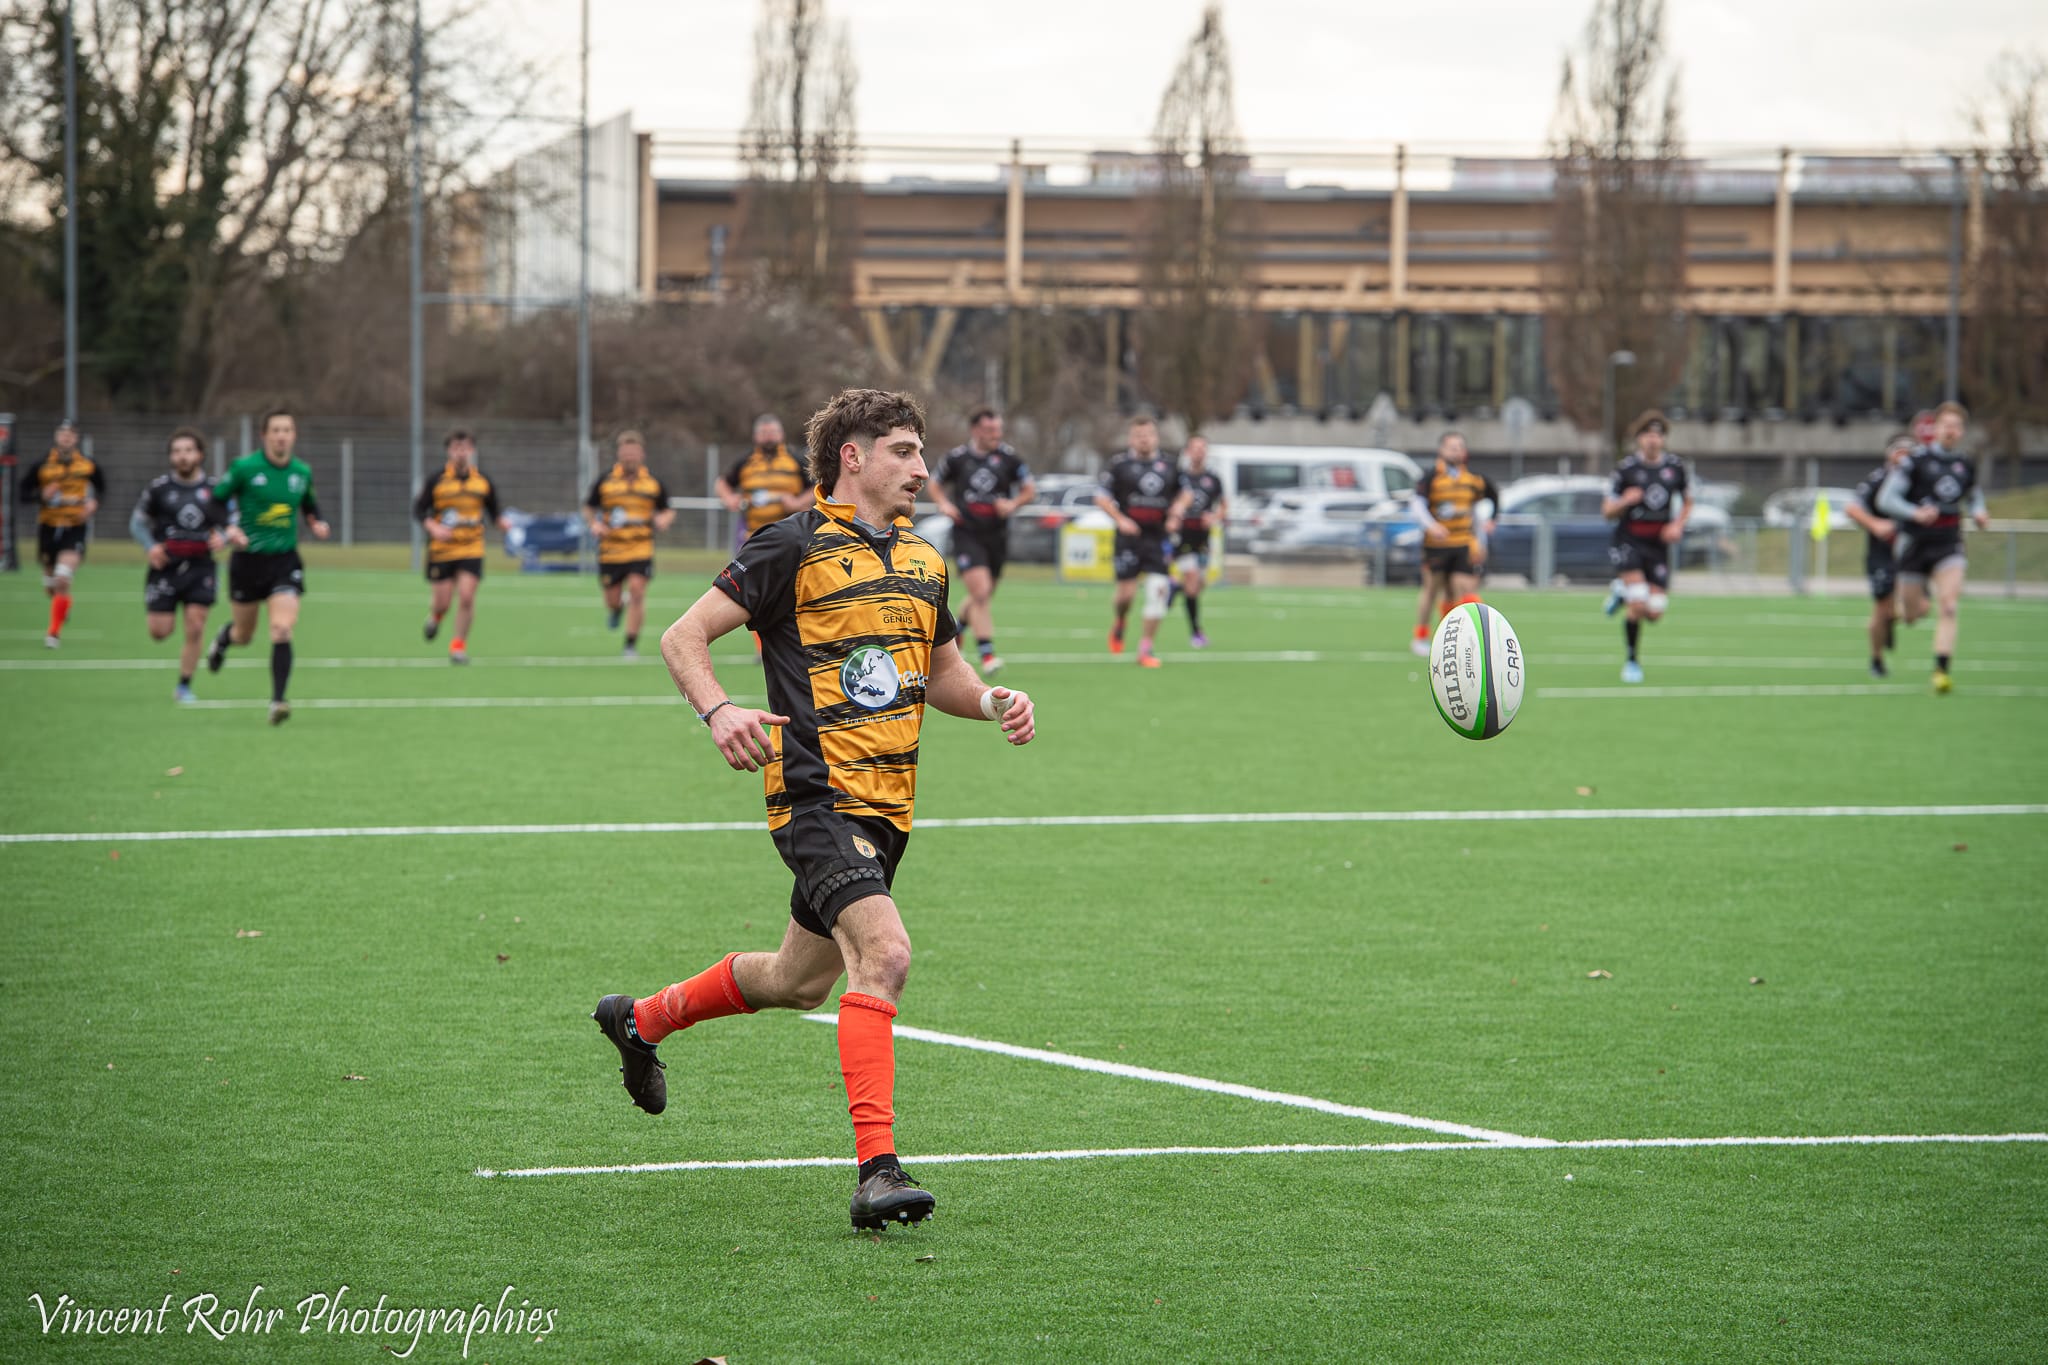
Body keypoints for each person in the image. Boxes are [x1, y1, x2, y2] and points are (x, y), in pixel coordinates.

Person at [590, 387, 1036, 1231]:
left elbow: (944, 672)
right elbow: (682, 636)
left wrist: (991, 700)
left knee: (796, 981)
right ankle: (877, 1171)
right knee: (886, 953)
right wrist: (719, 710)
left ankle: (640, 1021)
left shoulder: (925, 560)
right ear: (852, 457)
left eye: (921, 451)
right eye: (904, 450)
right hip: (816, 795)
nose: (922, 468)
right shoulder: (790, 545)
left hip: (890, 808)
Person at [205, 409, 330, 724]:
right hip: (247, 562)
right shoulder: (245, 468)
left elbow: (309, 504)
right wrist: (228, 529)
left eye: (287, 430)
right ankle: (224, 639)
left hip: (284, 561)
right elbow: (214, 502)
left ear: (294, 435)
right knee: (244, 634)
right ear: (264, 435)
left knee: (282, 629)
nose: (281, 436)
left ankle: (278, 701)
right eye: (275, 430)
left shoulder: (301, 472)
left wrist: (317, 522)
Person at [1877, 401, 1988, 694]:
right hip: (1915, 544)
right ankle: (1894, 615)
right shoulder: (1915, 462)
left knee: (1949, 606)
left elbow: (1974, 496)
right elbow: (1886, 499)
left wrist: (1979, 512)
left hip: (1948, 543)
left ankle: (1941, 671)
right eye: (1946, 425)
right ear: (1935, 428)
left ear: (1962, 431)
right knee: (1913, 615)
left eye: (1957, 426)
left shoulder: (1966, 464)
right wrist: (1914, 513)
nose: (1951, 431)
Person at [931, 407, 1036, 675]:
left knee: (984, 594)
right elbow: (934, 483)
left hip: (997, 535)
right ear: (975, 430)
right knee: (980, 593)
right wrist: (944, 504)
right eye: (990, 430)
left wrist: (1012, 504)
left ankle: (957, 630)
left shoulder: (1009, 458)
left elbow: (1029, 489)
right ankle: (987, 655)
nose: (996, 435)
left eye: (998, 430)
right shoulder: (957, 458)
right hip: (967, 533)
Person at [131, 427, 228, 703]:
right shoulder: (159, 489)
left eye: (188, 450)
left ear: (200, 454)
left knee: (196, 626)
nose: (182, 456)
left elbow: (233, 521)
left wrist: (222, 537)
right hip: (166, 567)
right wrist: (151, 547)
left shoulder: (215, 490)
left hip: (201, 567)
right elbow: (137, 523)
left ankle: (184, 685)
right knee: (159, 631)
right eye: (176, 451)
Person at [1599, 410, 1690, 684]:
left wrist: (1677, 525)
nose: (1653, 440)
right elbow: (1607, 511)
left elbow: (1688, 501)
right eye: (1647, 435)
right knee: (1637, 604)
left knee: (1654, 612)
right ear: (1639, 439)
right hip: (1630, 542)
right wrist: (1625, 501)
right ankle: (1632, 661)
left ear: (1663, 439)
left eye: (1658, 435)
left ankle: (1620, 592)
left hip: (1658, 546)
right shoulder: (1626, 470)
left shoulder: (1676, 468)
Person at [415, 429, 510, 664]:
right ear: (449, 451)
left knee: (467, 597)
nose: (461, 452)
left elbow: (494, 512)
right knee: (443, 603)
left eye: (465, 448)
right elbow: (418, 510)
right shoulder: (437, 480)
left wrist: (503, 524)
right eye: (456, 448)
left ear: (472, 451)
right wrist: (433, 527)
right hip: (442, 550)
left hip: (471, 548)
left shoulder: (483, 481)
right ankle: (436, 617)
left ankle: (458, 646)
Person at [1094, 414, 1178, 668]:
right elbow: (1101, 497)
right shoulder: (1119, 465)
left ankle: (1146, 648)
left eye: (1148, 435)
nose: (1144, 439)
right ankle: (1120, 620)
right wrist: (1120, 519)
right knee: (1125, 597)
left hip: (1158, 538)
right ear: (1131, 439)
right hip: (1129, 539)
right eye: (1139, 435)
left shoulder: (1170, 465)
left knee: (1158, 591)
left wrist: (1176, 514)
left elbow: (1185, 494)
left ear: (1156, 437)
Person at [585, 430, 675, 659]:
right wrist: (594, 524)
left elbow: (667, 509)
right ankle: (616, 609)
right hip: (611, 550)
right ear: (619, 454)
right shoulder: (605, 481)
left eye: (633, 453)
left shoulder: (653, 483)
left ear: (641, 454)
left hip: (640, 548)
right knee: (612, 600)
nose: (629, 457)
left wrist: (663, 520)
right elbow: (588, 507)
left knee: (637, 591)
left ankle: (630, 644)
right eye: (626, 453)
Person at [1406, 431, 1498, 657]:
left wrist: (1485, 532)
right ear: (1442, 450)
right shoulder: (1431, 477)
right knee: (1432, 590)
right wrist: (1432, 526)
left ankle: (1460, 638)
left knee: (1464, 588)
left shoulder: (1472, 480)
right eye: (1452, 447)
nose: (1456, 451)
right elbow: (1416, 505)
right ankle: (1420, 636)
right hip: (1436, 547)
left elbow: (1484, 504)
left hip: (1463, 543)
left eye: (1460, 447)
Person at [19, 418, 104, 649]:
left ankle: (53, 633)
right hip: (48, 528)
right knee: (51, 587)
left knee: (62, 578)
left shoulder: (87, 465)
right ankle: (64, 603)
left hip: (75, 528)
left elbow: (102, 488)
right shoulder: (42, 465)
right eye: (62, 433)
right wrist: (41, 496)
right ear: (56, 436)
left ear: (76, 438)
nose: (66, 437)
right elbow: (23, 493)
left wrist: (94, 503)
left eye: (70, 434)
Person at [1845, 435, 1915, 679]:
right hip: (1882, 554)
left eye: (1909, 451)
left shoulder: (1921, 480)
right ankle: (1876, 659)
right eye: (1899, 450)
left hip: (1914, 552)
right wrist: (1875, 524)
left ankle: (1891, 621)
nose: (1903, 456)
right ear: (1889, 454)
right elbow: (1852, 508)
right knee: (1881, 608)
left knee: (1916, 609)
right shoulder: (1878, 479)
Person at [1163, 434, 1226, 648]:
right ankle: (1196, 632)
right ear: (1188, 452)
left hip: (1203, 537)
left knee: (1198, 586)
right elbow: (1168, 502)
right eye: (1195, 448)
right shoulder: (1179, 478)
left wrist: (1214, 517)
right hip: (1183, 536)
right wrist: (1173, 516)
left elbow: (1223, 505)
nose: (1199, 452)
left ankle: (1175, 587)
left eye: (1202, 448)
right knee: (1191, 577)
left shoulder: (1213, 479)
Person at [716, 414, 811, 552]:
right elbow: (722, 483)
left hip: (790, 534)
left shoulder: (796, 460)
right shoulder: (745, 461)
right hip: (753, 536)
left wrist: (798, 502)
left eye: (773, 432)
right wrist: (729, 499)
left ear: (782, 434)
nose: (769, 437)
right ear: (755, 436)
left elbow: (815, 488)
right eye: (764, 433)